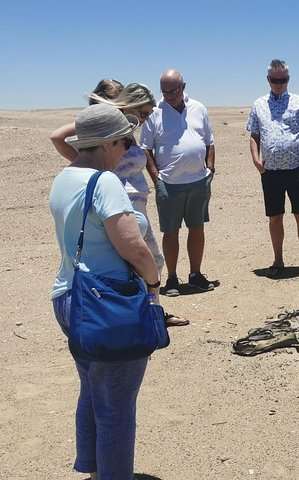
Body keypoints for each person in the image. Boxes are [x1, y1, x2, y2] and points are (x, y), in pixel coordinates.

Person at [49, 104, 160, 479]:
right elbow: (133, 246)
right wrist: (153, 286)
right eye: (126, 142)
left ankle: (94, 470)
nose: (129, 150)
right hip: (107, 304)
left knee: (94, 391)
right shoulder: (105, 182)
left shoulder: (64, 177)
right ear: (109, 143)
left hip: (69, 296)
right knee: (117, 407)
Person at [50, 82, 188, 327]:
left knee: (151, 261)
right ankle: (139, 314)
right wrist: (88, 163)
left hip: (137, 205)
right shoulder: (109, 129)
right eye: (143, 112)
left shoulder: (127, 133)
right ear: (129, 106)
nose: (146, 118)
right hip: (115, 206)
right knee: (130, 262)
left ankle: (151, 310)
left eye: (149, 114)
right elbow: (58, 136)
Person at [139, 68, 216, 296]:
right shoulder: (154, 113)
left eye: (174, 90)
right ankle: (172, 278)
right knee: (170, 232)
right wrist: (157, 179)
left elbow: (210, 141)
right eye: (165, 91)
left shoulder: (198, 108)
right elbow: (146, 149)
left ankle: (196, 274)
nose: (169, 95)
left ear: (183, 87)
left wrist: (210, 169)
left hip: (198, 181)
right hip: (169, 183)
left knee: (197, 228)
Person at [247, 59, 299, 279]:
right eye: (275, 80)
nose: (279, 84)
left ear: (288, 79)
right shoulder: (259, 104)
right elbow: (254, 135)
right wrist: (256, 161)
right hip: (270, 172)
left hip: (296, 169)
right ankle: (278, 260)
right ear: (268, 79)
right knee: (275, 218)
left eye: (283, 80)